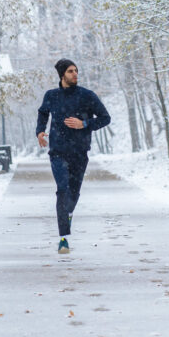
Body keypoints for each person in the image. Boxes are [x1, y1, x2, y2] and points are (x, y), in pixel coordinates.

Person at [36, 58, 111, 254]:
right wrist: (40, 131)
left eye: (76, 70)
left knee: (74, 194)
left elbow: (105, 118)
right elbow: (43, 113)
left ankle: (67, 214)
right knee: (62, 190)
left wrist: (84, 124)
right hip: (58, 151)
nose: (75, 74)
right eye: (70, 71)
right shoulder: (51, 95)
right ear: (62, 75)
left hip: (79, 152)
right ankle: (64, 239)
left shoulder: (87, 96)